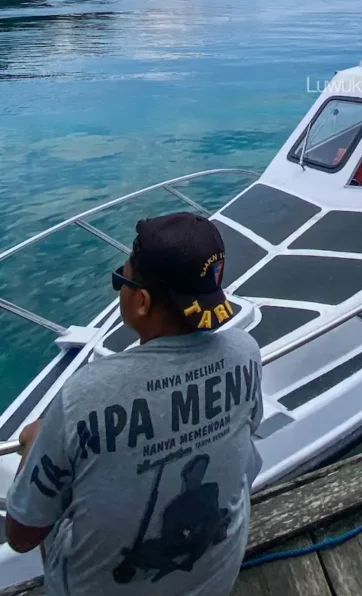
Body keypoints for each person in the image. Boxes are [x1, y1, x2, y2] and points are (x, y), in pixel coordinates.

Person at [5, 212, 263, 596]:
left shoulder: (86, 394)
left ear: (141, 301)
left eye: (120, 281)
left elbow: (22, 536)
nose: (119, 289)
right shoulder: (245, 353)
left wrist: (32, 446)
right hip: (214, 582)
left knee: (42, 456)